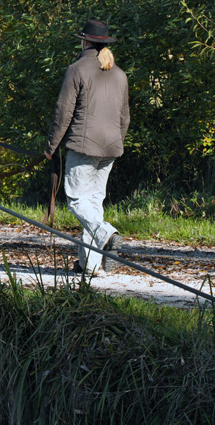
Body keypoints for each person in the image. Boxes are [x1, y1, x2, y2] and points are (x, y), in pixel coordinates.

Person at [44, 19, 130, 275]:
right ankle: (89, 265)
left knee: (77, 201)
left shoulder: (76, 69)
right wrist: (117, 142)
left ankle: (107, 235)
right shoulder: (120, 74)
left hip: (83, 147)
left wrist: (51, 146)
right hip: (111, 148)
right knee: (93, 203)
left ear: (84, 41)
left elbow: (63, 112)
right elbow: (124, 118)